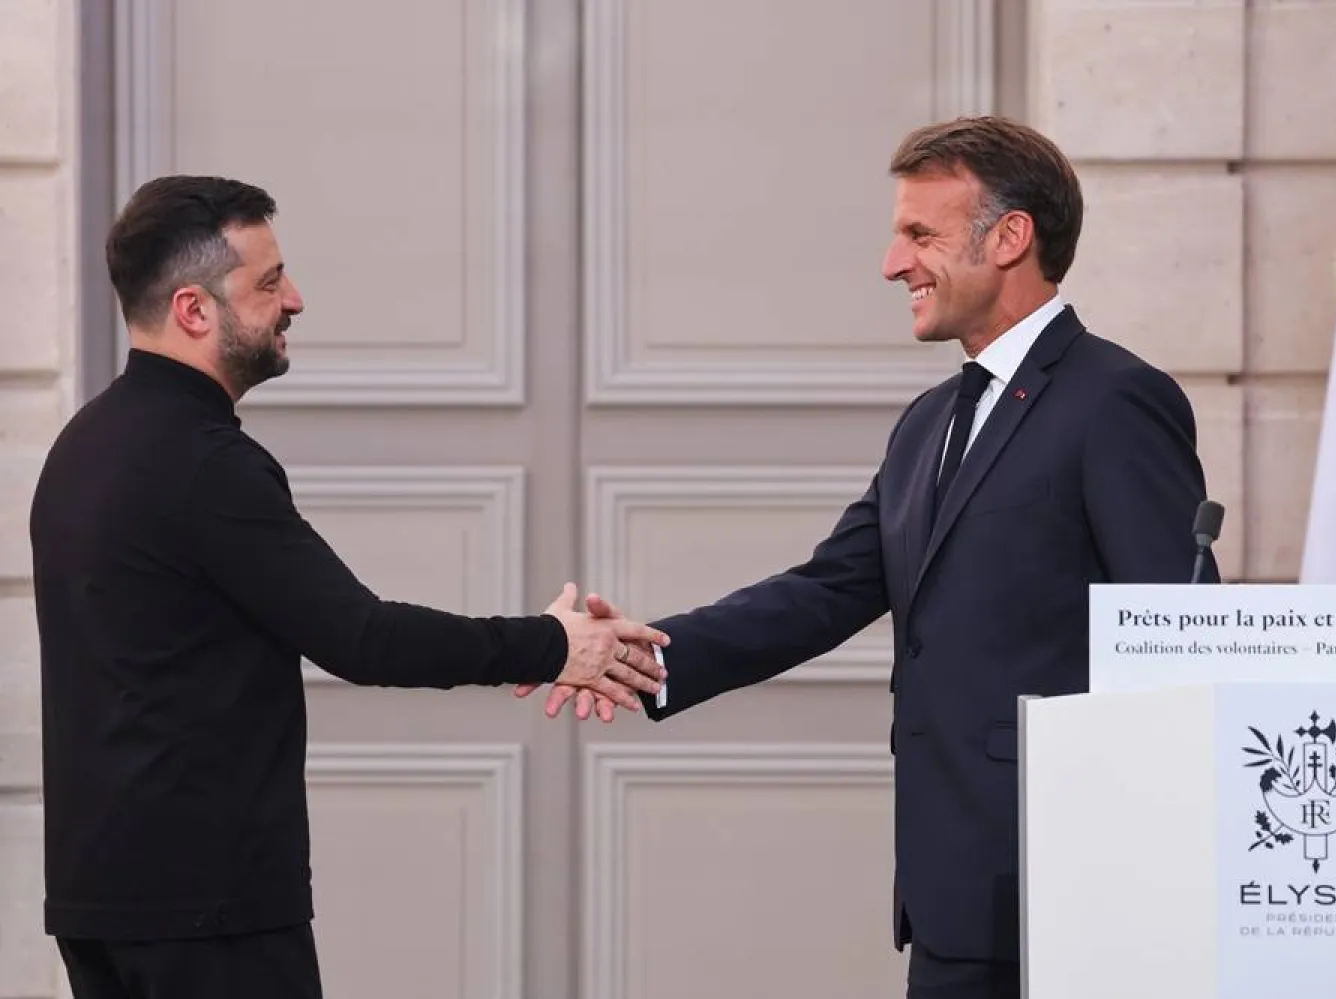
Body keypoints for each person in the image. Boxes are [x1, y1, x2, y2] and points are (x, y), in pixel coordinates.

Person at [519, 116, 1217, 998]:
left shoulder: (1117, 400)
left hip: (1077, 890)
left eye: (920, 234)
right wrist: (646, 655)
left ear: (1010, 237)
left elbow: (1180, 636)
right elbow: (829, 588)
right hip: (952, 891)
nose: (894, 263)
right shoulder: (928, 422)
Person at [28, 174, 669, 999]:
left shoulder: (82, 448)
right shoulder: (206, 466)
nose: (294, 299)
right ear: (194, 310)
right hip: (208, 917)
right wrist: (555, 645)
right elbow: (362, 637)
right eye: (267, 283)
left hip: (102, 904)